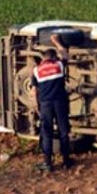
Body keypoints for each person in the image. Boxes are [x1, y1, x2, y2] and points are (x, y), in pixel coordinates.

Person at [31, 34, 74, 172]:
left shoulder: (36, 71)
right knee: (63, 131)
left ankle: (47, 163)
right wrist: (56, 42)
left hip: (45, 105)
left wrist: (36, 106)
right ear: (54, 58)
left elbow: (34, 92)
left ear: (43, 59)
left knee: (47, 132)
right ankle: (66, 161)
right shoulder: (59, 66)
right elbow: (65, 54)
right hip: (60, 103)